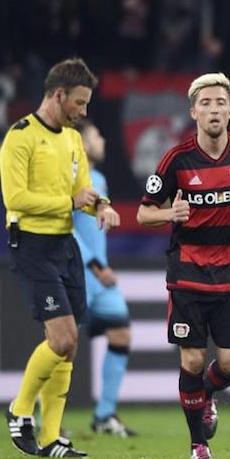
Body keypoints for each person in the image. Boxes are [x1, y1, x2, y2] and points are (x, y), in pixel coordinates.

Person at [136, 72, 230, 459]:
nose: (213, 109)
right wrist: (168, 213)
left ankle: (207, 394)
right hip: (189, 274)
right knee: (192, 360)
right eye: (205, 103)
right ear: (193, 112)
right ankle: (199, 444)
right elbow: (144, 212)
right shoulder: (176, 160)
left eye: (220, 103)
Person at [0, 57, 121, 458]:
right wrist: (71, 201)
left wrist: (100, 206)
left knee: (69, 347)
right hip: (31, 244)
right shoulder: (20, 137)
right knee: (63, 336)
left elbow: (84, 190)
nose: (84, 112)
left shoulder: (71, 139)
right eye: (80, 103)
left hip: (63, 244)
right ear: (58, 95)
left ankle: (52, 438)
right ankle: (19, 410)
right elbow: (16, 199)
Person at [73, 119, 136, 438]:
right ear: (82, 144)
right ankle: (37, 416)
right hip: (77, 274)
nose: (104, 141)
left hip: (100, 277)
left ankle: (104, 415)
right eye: (98, 135)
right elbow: (66, 227)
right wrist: (96, 265)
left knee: (121, 333)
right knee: (60, 345)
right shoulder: (72, 180)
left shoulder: (97, 178)